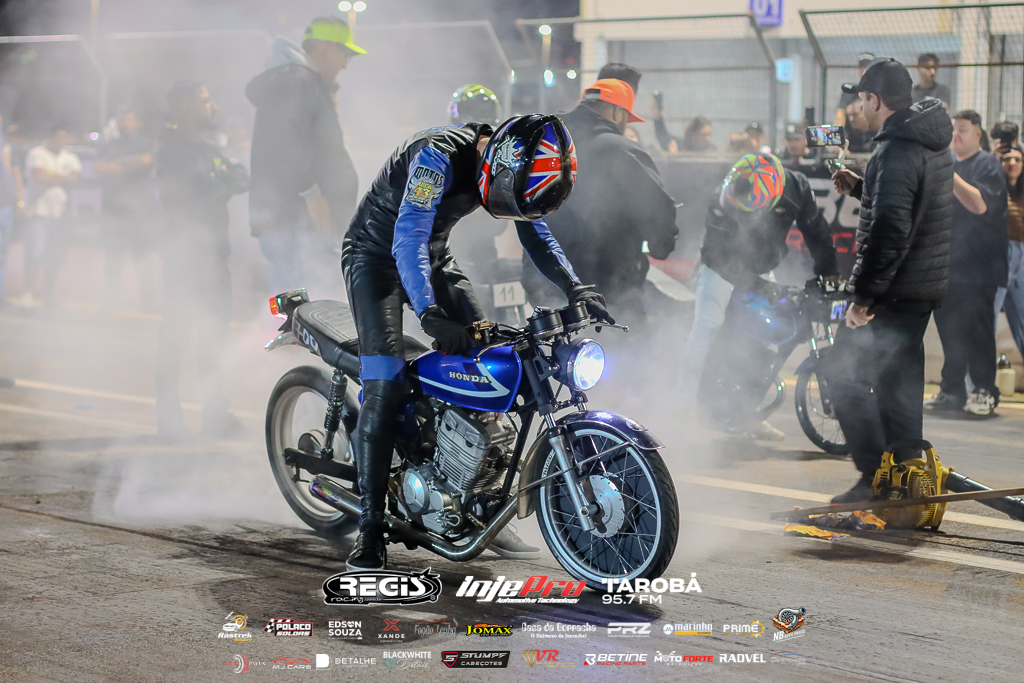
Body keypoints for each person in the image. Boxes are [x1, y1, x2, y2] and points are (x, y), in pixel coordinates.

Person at [341, 115, 612, 570]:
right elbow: (408, 236)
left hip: (432, 256)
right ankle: (370, 525)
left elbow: (537, 235)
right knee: (385, 379)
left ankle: (475, 495)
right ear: (496, 169)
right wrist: (429, 314)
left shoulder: (511, 163)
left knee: (488, 360)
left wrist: (575, 287)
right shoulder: (437, 156)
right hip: (375, 257)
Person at [828, 58, 954, 503]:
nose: (858, 108)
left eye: (861, 99)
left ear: (875, 99)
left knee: (841, 374)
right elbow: (911, 206)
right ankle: (904, 483)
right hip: (920, 288)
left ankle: (873, 478)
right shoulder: (930, 139)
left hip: (894, 291)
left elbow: (889, 231)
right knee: (899, 387)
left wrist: (863, 299)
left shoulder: (896, 148)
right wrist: (863, 187)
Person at [681, 153, 838, 440]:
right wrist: (758, 286)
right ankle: (683, 409)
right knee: (708, 326)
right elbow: (717, 257)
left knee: (768, 339)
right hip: (721, 266)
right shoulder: (722, 199)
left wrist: (829, 277)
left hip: (761, 267)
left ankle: (745, 413)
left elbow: (818, 234)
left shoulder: (796, 188)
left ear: (772, 200)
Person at [520, 79, 677, 334]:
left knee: (554, 353)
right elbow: (657, 213)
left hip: (545, 278)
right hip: (606, 287)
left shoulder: (547, 142)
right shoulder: (621, 150)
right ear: (617, 112)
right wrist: (662, 244)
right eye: (626, 118)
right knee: (622, 353)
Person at [155, 81, 249, 441]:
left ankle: (216, 415)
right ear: (185, 107)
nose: (212, 107)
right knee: (176, 339)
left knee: (214, 338)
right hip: (186, 258)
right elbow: (195, 193)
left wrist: (218, 179)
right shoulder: (172, 149)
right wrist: (220, 181)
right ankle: (169, 421)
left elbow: (240, 177)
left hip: (214, 255)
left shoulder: (208, 147)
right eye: (204, 101)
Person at [247, 16, 361, 295]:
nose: (345, 64)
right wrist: (313, 196)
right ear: (327, 49)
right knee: (310, 306)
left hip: (294, 222)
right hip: (298, 222)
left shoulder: (298, 80)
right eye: (345, 54)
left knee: (297, 304)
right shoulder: (297, 80)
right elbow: (285, 143)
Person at [925, 110, 1008, 416]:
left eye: (962, 129)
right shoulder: (951, 165)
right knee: (950, 333)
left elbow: (979, 204)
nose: (955, 135)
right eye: (953, 130)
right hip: (949, 267)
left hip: (979, 269)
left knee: (978, 333)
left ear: (978, 134)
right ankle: (952, 391)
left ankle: (984, 390)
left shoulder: (987, 164)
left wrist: (949, 173)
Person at [95, 106, 159, 312]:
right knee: (113, 258)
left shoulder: (146, 143)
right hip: (113, 210)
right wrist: (133, 163)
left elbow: (147, 161)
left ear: (138, 122)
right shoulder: (108, 146)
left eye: (130, 119)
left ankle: (148, 303)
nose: (126, 123)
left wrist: (117, 164)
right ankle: (110, 301)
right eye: (122, 119)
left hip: (141, 210)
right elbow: (101, 168)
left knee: (143, 257)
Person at [22, 125, 81, 309]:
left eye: (64, 137)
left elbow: (75, 179)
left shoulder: (71, 158)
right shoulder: (37, 153)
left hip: (62, 215)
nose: (61, 140)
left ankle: (48, 295)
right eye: (57, 137)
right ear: (50, 137)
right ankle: (27, 293)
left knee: (55, 257)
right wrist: (63, 177)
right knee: (35, 254)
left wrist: (51, 175)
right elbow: (39, 175)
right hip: (40, 213)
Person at [995, 145, 1024, 357]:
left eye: (1017, 159)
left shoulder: (1021, 191)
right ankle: (974, 376)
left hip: (1021, 256)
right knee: (988, 317)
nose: (1012, 163)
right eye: (1006, 159)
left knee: (1022, 317)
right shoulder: (994, 186)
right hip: (999, 252)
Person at [0, 115, 19, 305]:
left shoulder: (6, 144)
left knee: (3, 253)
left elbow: (14, 171)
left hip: (6, 205)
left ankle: (1, 294)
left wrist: (17, 200)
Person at [835, 53, 875, 127]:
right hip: (850, 133)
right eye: (861, 66)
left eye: (867, 66)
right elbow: (840, 114)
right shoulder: (848, 91)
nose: (863, 69)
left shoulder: (879, 92)